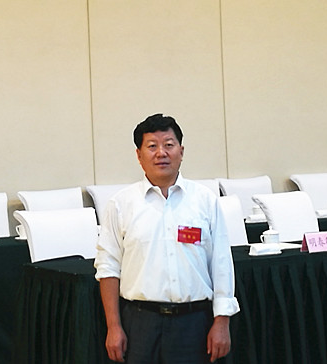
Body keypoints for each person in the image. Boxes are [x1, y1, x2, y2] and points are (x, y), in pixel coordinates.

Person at [94, 113, 239, 364]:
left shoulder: (204, 200)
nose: (161, 153)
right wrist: (113, 326)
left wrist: (222, 321)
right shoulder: (120, 204)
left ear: (181, 152)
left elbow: (221, 263)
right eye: (152, 146)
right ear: (139, 155)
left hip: (194, 323)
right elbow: (108, 268)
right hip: (140, 323)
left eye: (169, 145)